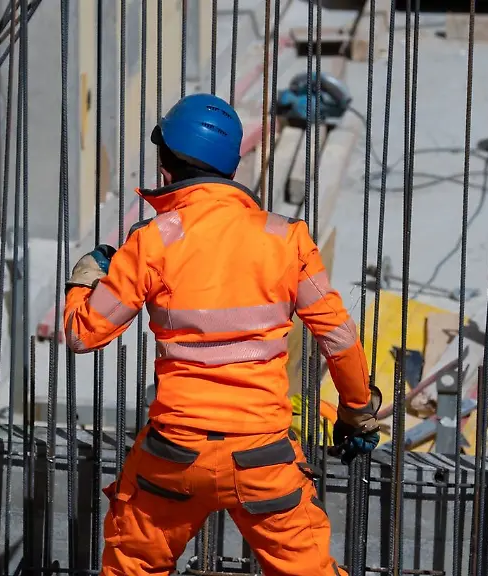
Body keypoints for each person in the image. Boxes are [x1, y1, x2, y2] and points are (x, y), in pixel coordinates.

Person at [63, 93, 381, 576]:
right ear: (231, 168)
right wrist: (357, 414)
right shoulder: (286, 238)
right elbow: (337, 337)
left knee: (133, 566)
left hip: (175, 458)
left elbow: (83, 334)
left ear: (166, 165)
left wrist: (84, 280)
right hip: (263, 459)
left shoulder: (150, 242)